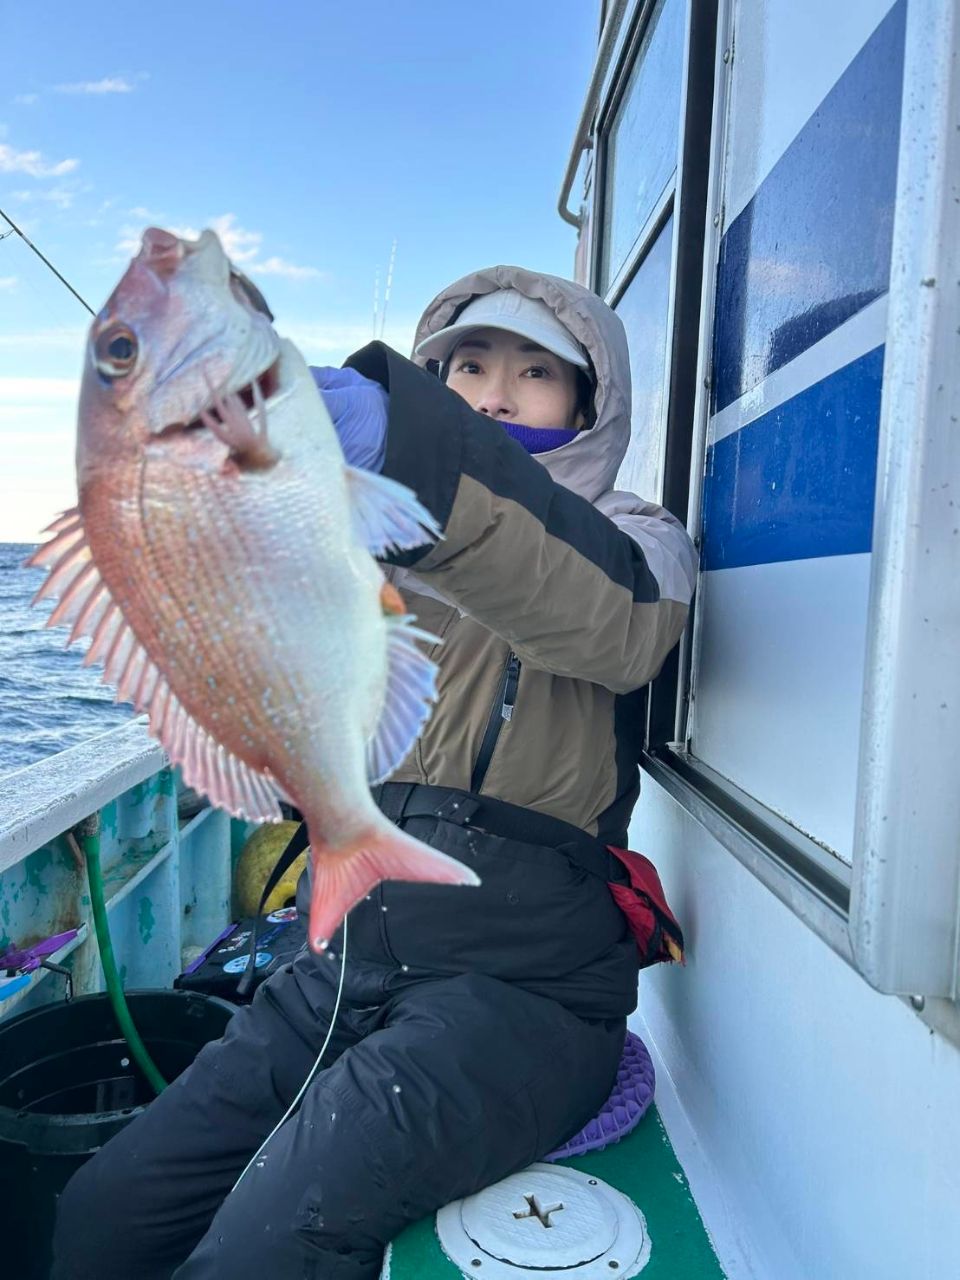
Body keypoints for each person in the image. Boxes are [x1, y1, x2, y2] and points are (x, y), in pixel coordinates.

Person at [52, 265, 697, 1280]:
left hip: (523, 991)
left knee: (266, 1245)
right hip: (340, 967)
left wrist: (419, 461)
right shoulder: (368, 528)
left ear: (588, 400)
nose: (495, 390)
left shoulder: (637, 543)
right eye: (469, 363)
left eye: (536, 371)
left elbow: (614, 631)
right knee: (103, 1210)